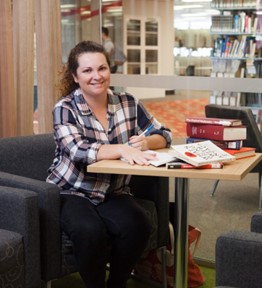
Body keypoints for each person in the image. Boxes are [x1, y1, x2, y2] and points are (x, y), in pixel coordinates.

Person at [46, 40, 172, 288]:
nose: (97, 76)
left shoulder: (128, 102)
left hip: (114, 191)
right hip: (71, 191)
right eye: (87, 71)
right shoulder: (65, 108)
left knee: (138, 226)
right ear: (75, 76)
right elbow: (77, 150)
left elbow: (163, 133)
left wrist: (146, 143)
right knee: (89, 232)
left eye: (102, 69)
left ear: (109, 69)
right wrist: (121, 149)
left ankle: (117, 284)